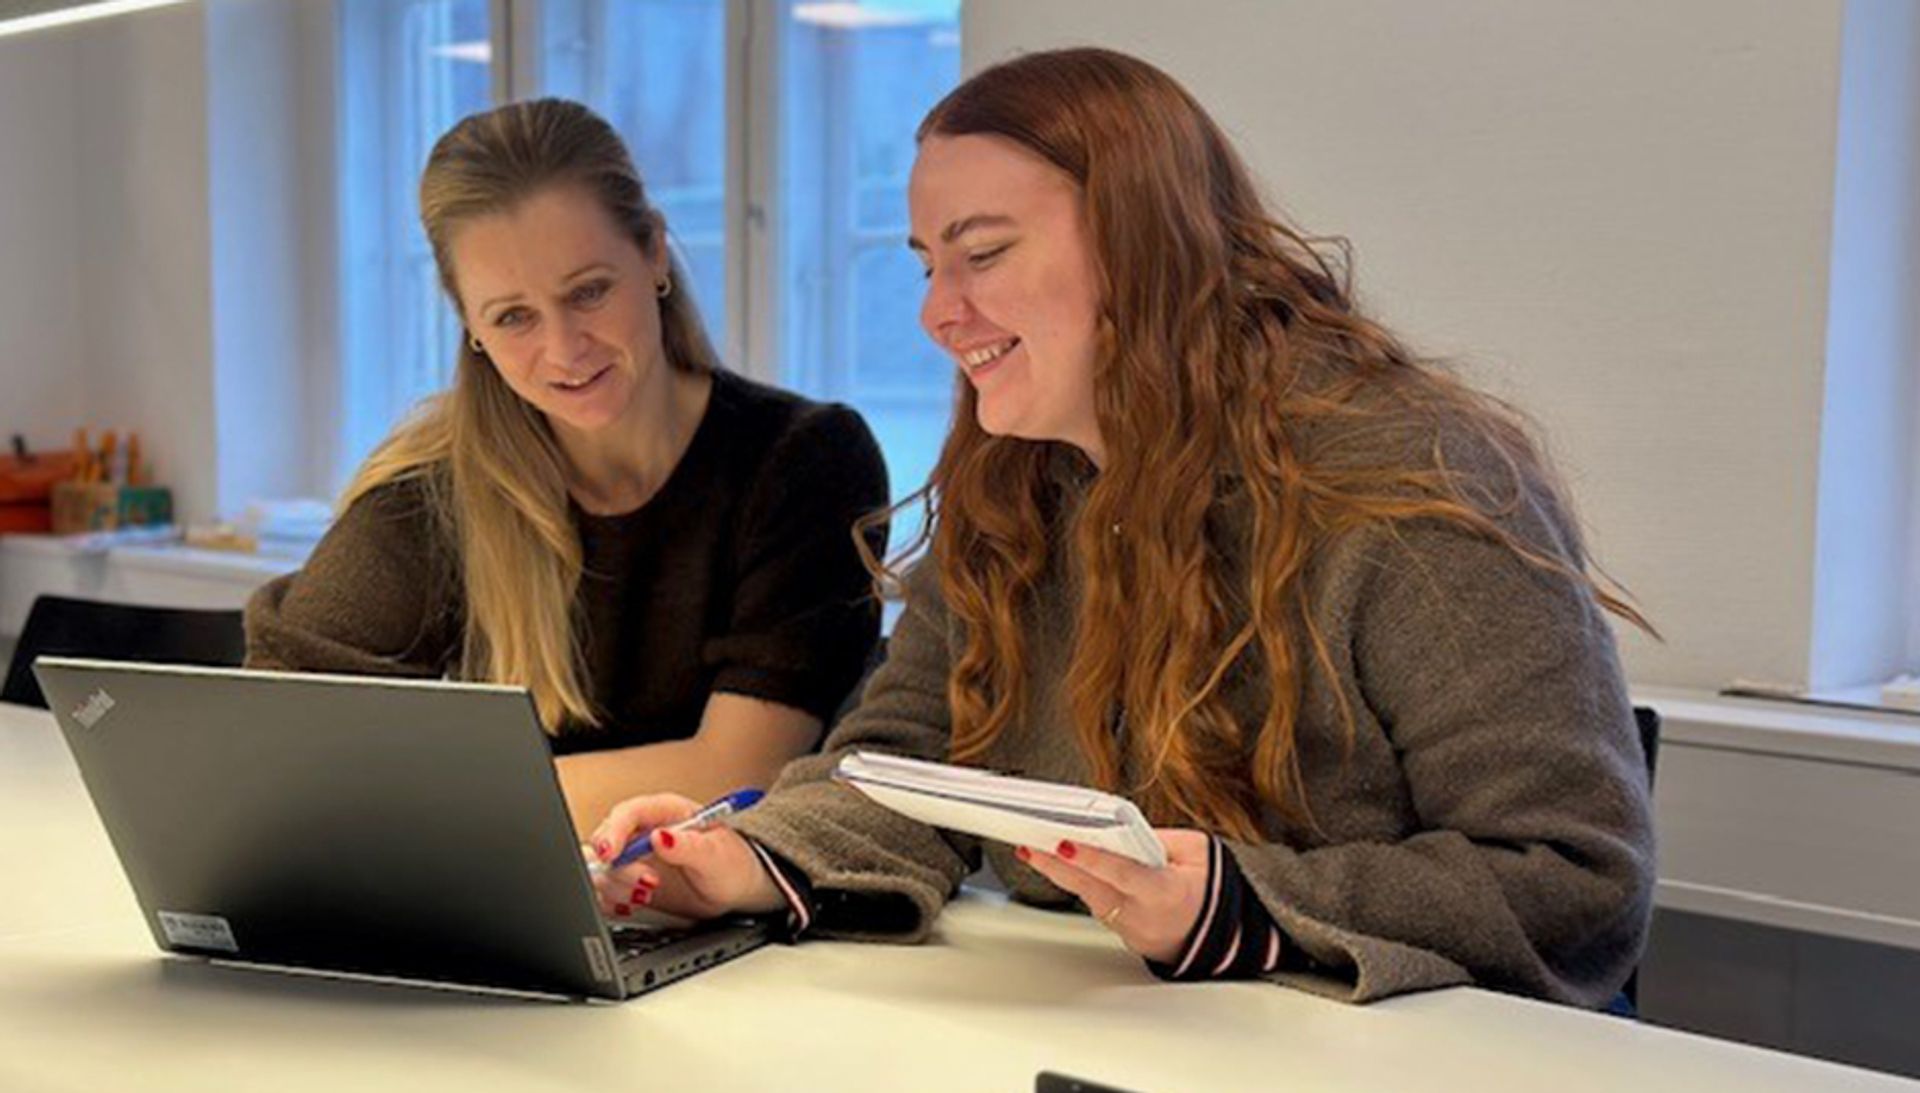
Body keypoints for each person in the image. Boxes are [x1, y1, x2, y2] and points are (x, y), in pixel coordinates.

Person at [584, 48, 1656, 1007]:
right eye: (925, 263)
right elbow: (908, 760)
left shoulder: (1412, 484)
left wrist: (1239, 901)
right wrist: (746, 856)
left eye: (984, 253)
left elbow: (1574, 879)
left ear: (1147, 246)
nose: (935, 312)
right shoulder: (1018, 481)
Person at [245, 99, 888, 838]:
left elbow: (735, 773)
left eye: (588, 291)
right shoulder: (432, 491)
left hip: (741, 928)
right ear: (469, 323)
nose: (564, 349)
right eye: (513, 316)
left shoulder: (805, 461)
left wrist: (407, 794)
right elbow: (279, 741)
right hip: (499, 910)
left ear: (653, 253)